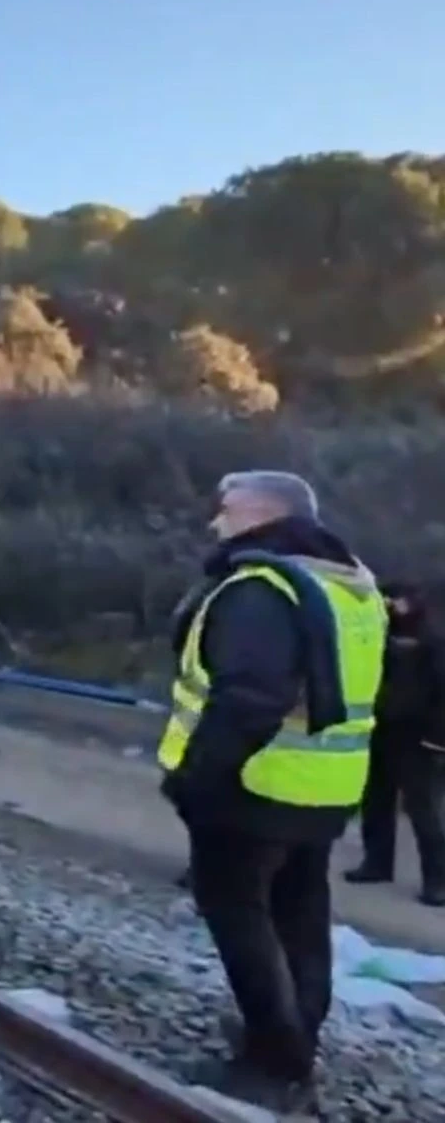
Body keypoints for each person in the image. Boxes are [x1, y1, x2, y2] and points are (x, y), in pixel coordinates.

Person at [159, 470, 385, 1108]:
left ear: (262, 514)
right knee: (300, 914)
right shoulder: (347, 584)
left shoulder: (262, 587)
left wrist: (195, 780)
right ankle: (294, 1040)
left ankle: (273, 1060)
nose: (215, 523)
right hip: (325, 787)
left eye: (225, 509)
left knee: (239, 913)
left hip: (252, 786)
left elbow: (250, 699)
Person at [342, 581, 445, 906]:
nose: (390, 604)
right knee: (375, 800)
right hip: (380, 727)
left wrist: (437, 738)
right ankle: (377, 863)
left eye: (396, 599)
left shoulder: (432, 640)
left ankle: (437, 880)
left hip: (417, 736)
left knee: (422, 808)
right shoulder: (380, 634)